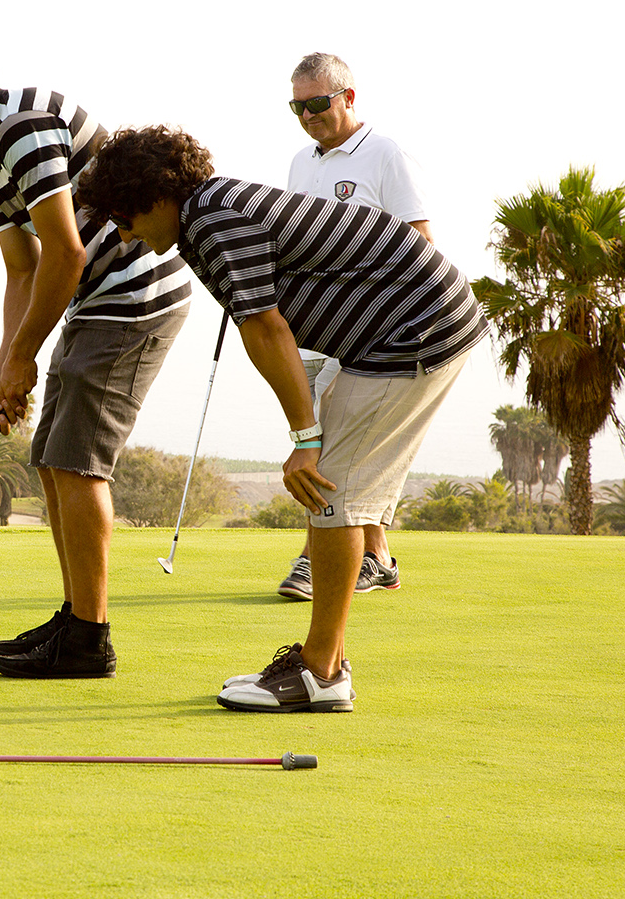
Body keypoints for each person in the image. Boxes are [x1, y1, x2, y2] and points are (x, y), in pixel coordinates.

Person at [76, 125, 487, 711]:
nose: (124, 232)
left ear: (157, 195)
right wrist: (308, 431)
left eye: (125, 215)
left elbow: (267, 329)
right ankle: (326, 665)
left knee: (332, 493)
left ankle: (320, 675)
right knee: (332, 494)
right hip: (402, 332)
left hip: (416, 330)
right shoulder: (206, 217)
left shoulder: (213, 218)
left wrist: (306, 438)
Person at [0, 52, 193, 678]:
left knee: (76, 462)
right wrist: (3, 369)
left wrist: (26, 355)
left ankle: (89, 639)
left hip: (136, 295)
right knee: (52, 458)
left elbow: (67, 254)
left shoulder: (24, 123)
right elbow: (22, 268)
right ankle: (77, 615)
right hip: (96, 303)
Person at [277, 52, 434, 603]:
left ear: (348, 97)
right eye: (296, 106)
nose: (306, 115)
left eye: (316, 103)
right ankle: (378, 557)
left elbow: (421, 246)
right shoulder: (302, 161)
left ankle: (311, 560)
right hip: (315, 328)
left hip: (372, 328)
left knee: (332, 444)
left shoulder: (385, 155)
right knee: (333, 438)